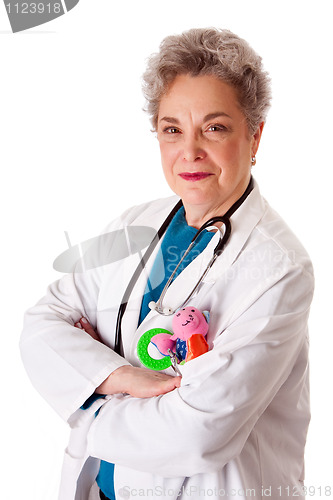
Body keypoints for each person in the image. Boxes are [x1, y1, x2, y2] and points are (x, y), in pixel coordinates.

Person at [20, 28, 314, 500]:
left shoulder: (279, 267)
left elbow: (198, 434)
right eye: (172, 128)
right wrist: (122, 378)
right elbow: (39, 328)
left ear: (255, 134)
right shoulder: (134, 224)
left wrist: (83, 394)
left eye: (214, 127)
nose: (190, 151)